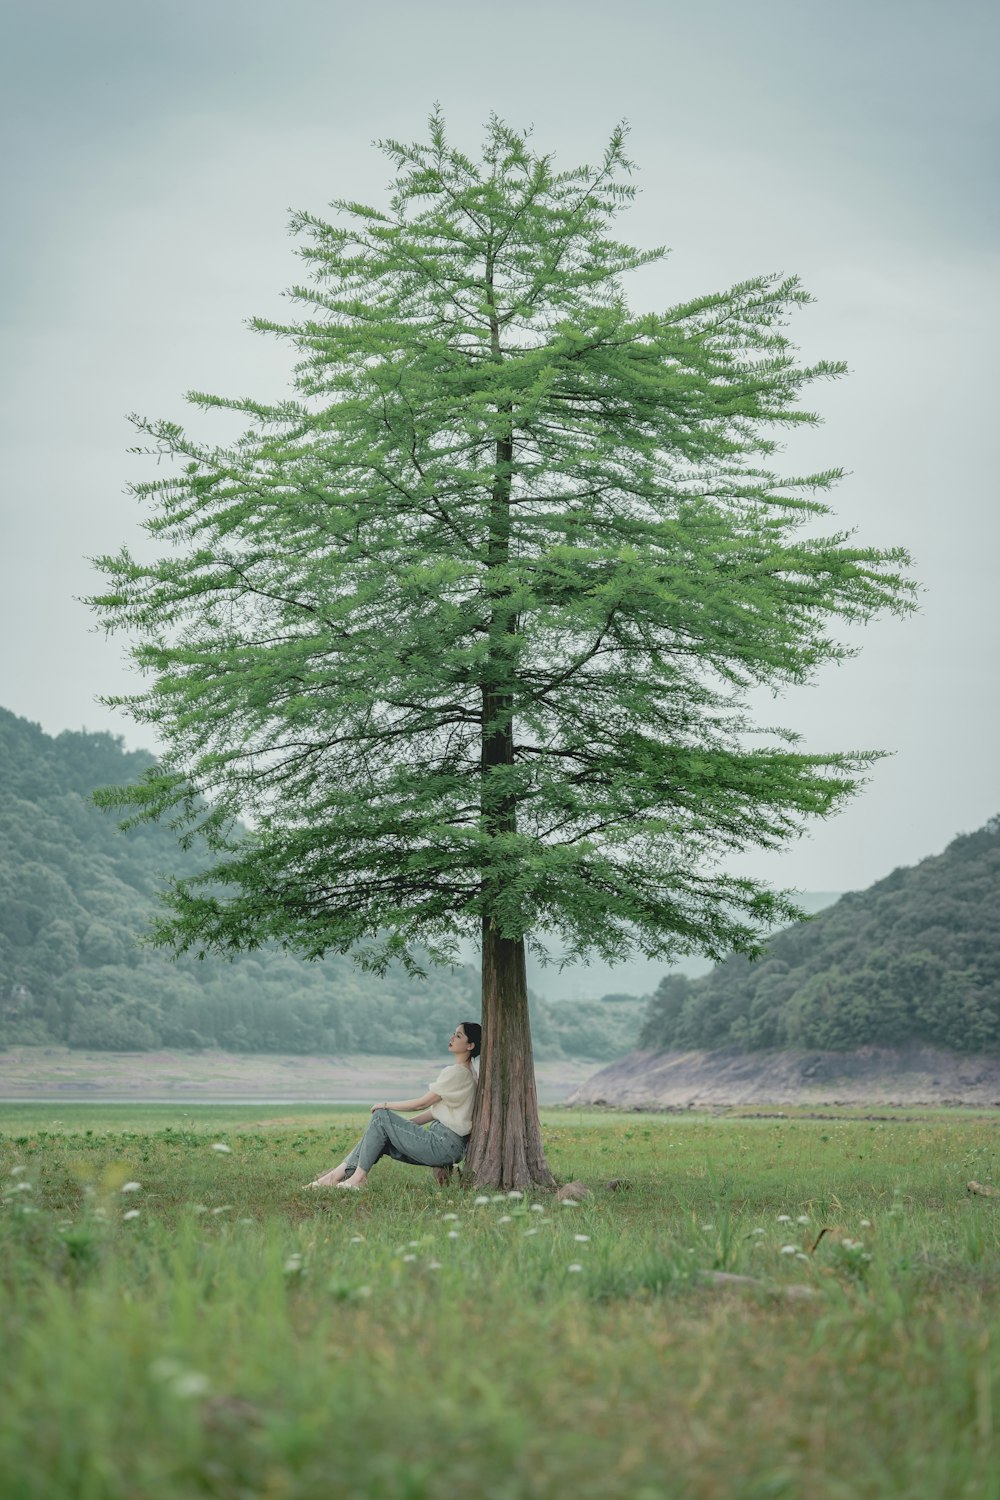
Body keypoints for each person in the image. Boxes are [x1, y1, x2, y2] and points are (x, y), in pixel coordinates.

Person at [304, 1022, 481, 1190]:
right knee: (377, 1137)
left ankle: (358, 1179)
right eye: (453, 1034)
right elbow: (435, 1112)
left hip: (443, 1144)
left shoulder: (457, 1073)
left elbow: (422, 1103)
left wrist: (386, 1105)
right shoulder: (469, 1073)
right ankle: (332, 1178)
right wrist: (397, 1128)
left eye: (458, 1036)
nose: (452, 1038)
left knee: (381, 1115)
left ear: (470, 1045)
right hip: (448, 1146)